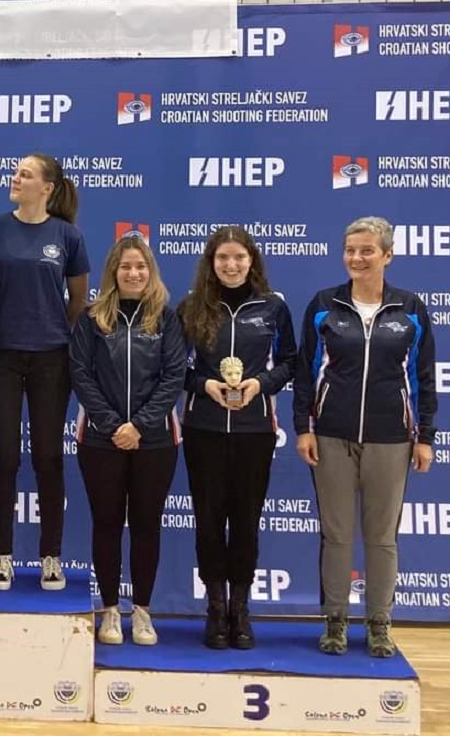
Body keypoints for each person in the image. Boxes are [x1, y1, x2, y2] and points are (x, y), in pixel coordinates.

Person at [294, 216, 436, 657]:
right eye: (350, 250)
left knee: (382, 537)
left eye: (367, 250)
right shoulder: (324, 304)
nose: (357, 258)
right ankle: (335, 620)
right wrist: (303, 428)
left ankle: (379, 622)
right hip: (330, 435)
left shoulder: (410, 308)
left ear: (387, 255)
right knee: (336, 534)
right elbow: (306, 372)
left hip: (391, 438)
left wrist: (425, 435)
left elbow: (424, 377)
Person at [177, 226, 296, 650]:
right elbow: (174, 367)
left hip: (254, 431)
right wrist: (204, 385)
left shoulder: (273, 307)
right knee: (209, 522)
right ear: (211, 263)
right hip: (203, 429)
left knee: (245, 522)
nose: (231, 265)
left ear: (252, 261)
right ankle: (215, 607)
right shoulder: (191, 306)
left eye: (239, 257)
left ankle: (240, 609)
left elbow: (290, 362)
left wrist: (260, 384)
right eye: (223, 258)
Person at [0, 154, 89, 593]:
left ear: (47, 187)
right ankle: (2, 557)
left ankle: (51, 558)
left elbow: (77, 301)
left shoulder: (67, 235)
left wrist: (52, 330)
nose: (16, 178)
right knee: (4, 456)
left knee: (47, 456)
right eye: (16, 172)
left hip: (51, 358)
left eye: (25, 174)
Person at [69, 234, 185, 646]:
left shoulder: (167, 318)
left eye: (141, 266)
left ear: (150, 272)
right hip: (100, 440)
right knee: (106, 523)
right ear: (113, 273)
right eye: (126, 267)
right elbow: (80, 373)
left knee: (146, 525)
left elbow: (174, 376)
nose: (134, 273)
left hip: (155, 441)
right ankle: (109, 610)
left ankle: (142, 611)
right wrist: (112, 424)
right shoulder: (92, 318)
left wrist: (140, 426)